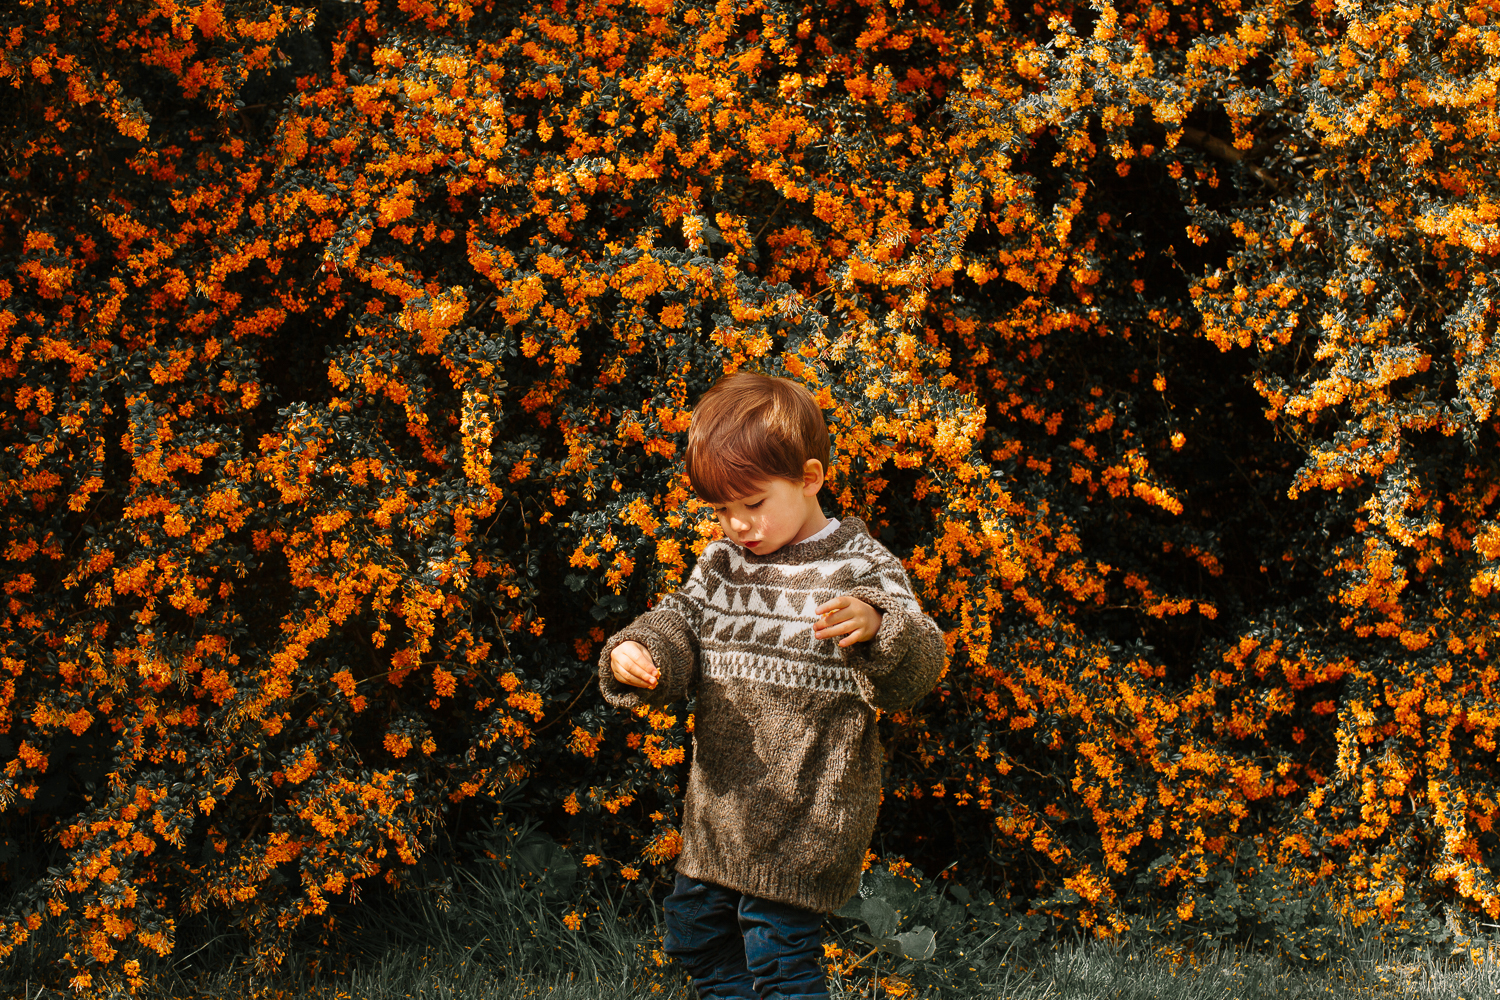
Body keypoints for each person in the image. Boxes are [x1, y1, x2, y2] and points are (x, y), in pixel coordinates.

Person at [596, 371, 947, 1000]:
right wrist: (640, 649)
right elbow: (681, 621)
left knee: (778, 955)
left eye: (753, 504)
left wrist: (878, 627)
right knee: (697, 935)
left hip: (809, 813)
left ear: (809, 478)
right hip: (722, 811)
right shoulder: (724, 566)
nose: (737, 525)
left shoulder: (861, 567)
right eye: (723, 510)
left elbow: (919, 668)